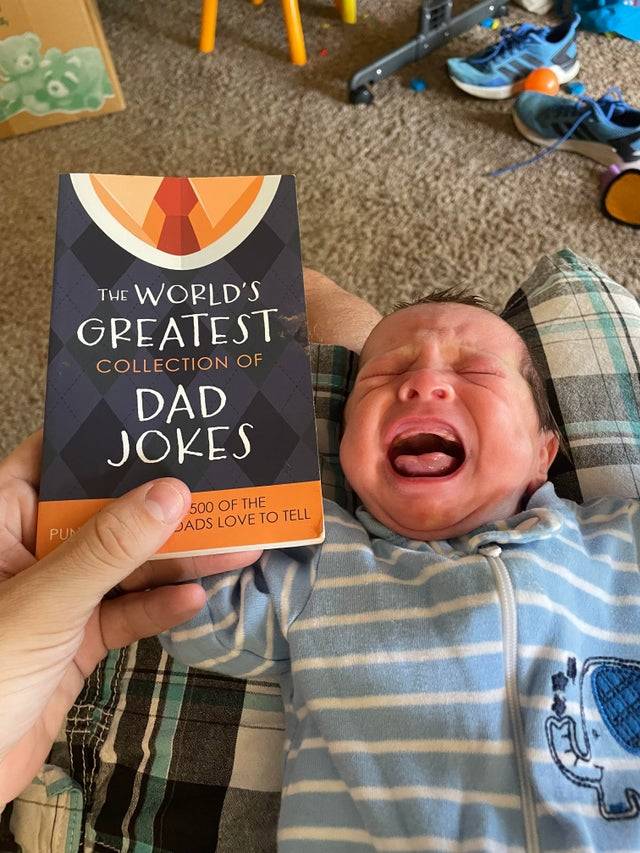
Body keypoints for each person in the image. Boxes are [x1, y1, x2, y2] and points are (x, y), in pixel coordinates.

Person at [159, 291, 640, 851]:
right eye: (383, 375)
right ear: (343, 449)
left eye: (476, 371)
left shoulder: (619, 540)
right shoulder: (319, 565)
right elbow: (189, 609)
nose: (422, 383)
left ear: (544, 453)